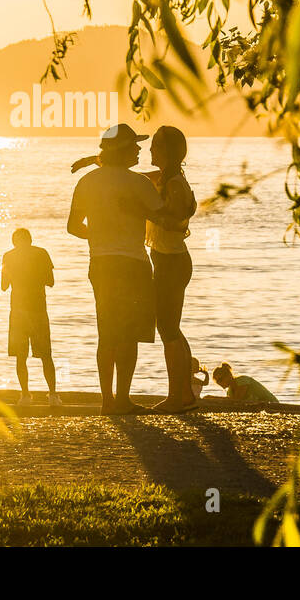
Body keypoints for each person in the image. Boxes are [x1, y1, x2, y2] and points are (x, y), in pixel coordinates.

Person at [73, 126, 198, 411]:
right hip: (155, 260)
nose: (146, 151)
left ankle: (175, 396)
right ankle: (177, 395)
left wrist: (125, 217)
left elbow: (175, 220)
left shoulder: (173, 181)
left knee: (164, 330)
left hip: (167, 260)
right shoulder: (159, 178)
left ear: (166, 152)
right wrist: (96, 160)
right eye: (142, 146)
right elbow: (133, 182)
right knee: (166, 329)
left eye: (153, 146)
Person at [1, 228, 62, 407]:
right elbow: (51, 281)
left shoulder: (8, 256)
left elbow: (4, 286)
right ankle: (52, 395)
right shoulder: (41, 253)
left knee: (21, 356)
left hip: (18, 312)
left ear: (14, 242)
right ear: (30, 240)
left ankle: (25, 396)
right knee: (46, 355)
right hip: (38, 310)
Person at [213, 362, 280, 404]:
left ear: (228, 375)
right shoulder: (230, 391)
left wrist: (213, 398)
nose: (219, 383)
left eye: (220, 379)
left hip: (272, 404)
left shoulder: (242, 380)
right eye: (217, 381)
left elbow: (237, 400)